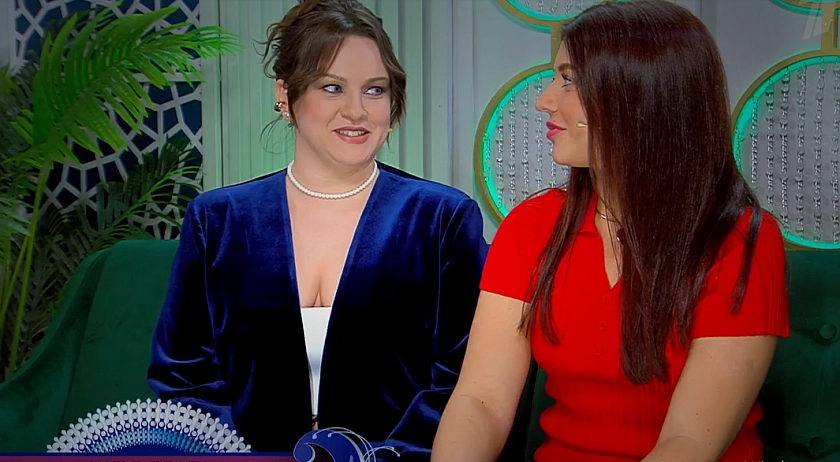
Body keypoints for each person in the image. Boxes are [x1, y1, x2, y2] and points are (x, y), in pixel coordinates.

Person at [430, 1, 789, 461]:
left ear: (641, 96)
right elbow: (480, 400)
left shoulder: (741, 240)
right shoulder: (530, 227)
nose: (544, 100)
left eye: (569, 80)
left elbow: (688, 443)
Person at [146, 0, 488, 458]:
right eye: (332, 87)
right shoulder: (217, 219)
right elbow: (182, 378)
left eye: (374, 90)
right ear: (285, 94)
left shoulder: (443, 218)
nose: (356, 110)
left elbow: (463, 384)